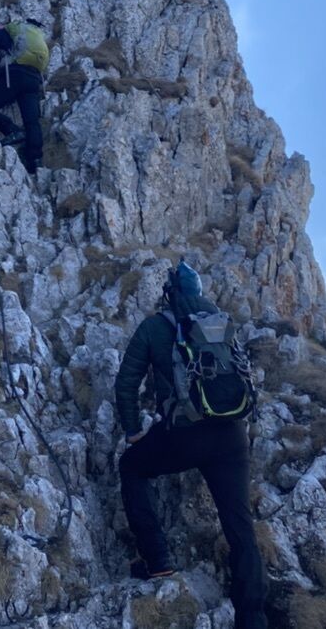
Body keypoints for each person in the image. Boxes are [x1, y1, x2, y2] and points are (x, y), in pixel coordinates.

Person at [114, 262, 267, 629]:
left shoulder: (155, 326)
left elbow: (126, 383)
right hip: (232, 436)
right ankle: (253, 619)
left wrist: (133, 431)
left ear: (169, 294)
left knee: (131, 466)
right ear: (199, 292)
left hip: (185, 434)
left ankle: (158, 561)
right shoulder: (222, 324)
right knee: (241, 530)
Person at [0, 17, 49, 174]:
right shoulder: (38, 39)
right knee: (32, 122)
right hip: (34, 80)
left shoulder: (11, 31)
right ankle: (35, 161)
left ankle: (13, 130)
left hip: (15, 75)